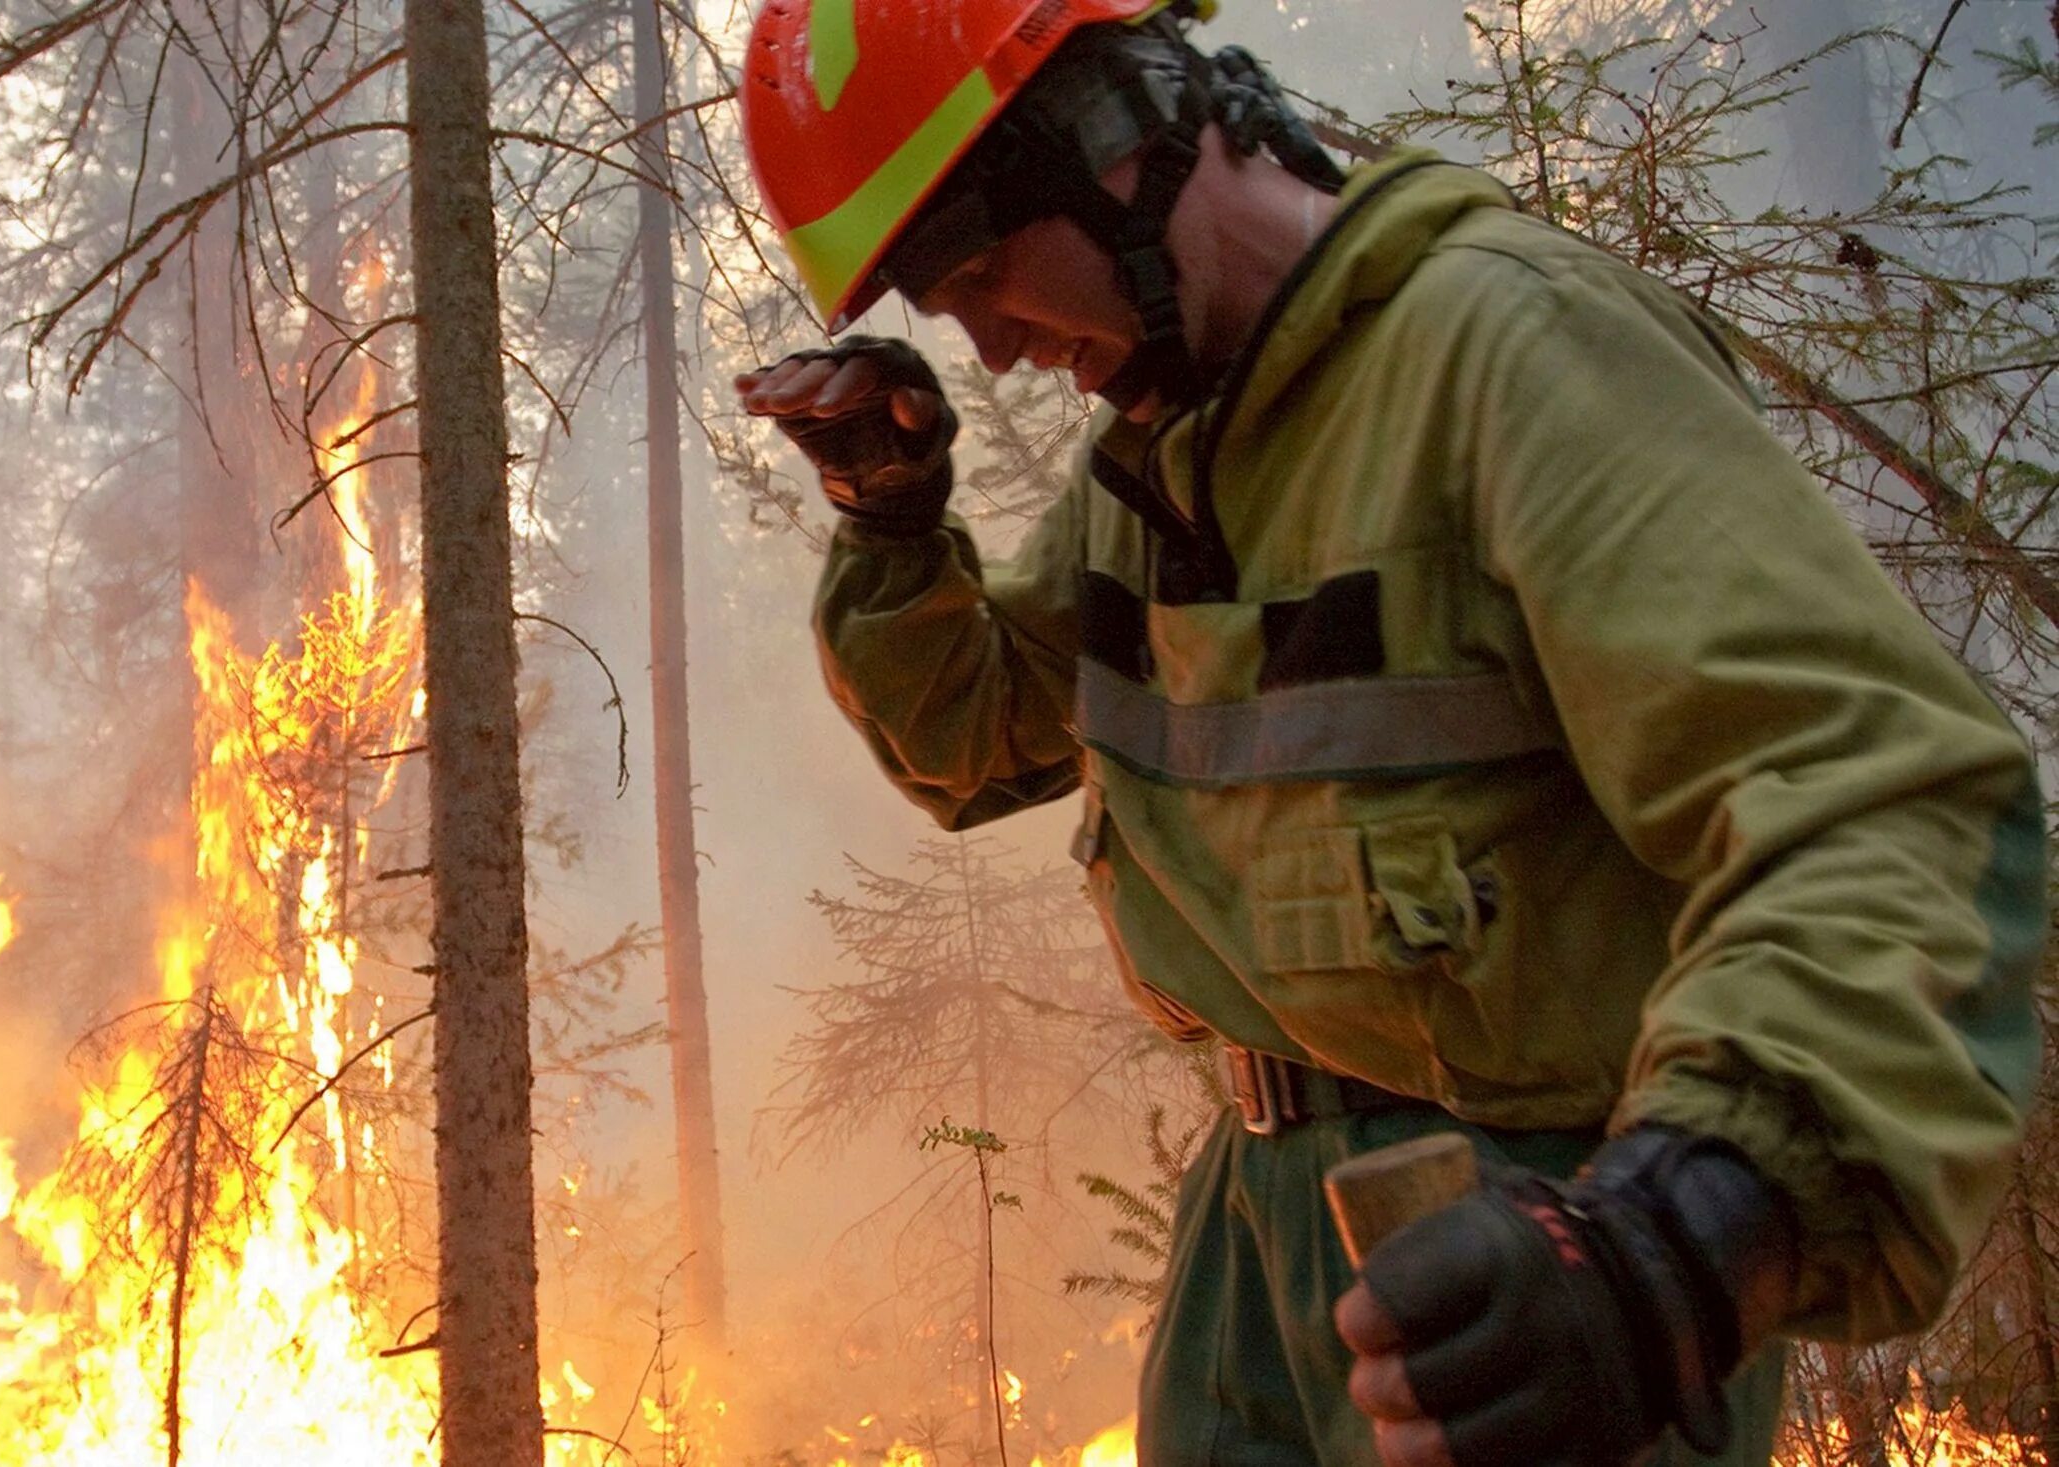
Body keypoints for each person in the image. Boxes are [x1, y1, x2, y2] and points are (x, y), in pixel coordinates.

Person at [731, 2, 2046, 1463]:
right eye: (936, 298)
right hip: (1258, 1233)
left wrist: (1683, 1238)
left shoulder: (1509, 352)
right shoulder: (1172, 451)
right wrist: (894, 525)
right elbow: (981, 739)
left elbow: (1880, 802)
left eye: (979, 269)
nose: (985, 343)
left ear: (1114, 141)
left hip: (1531, 1244)